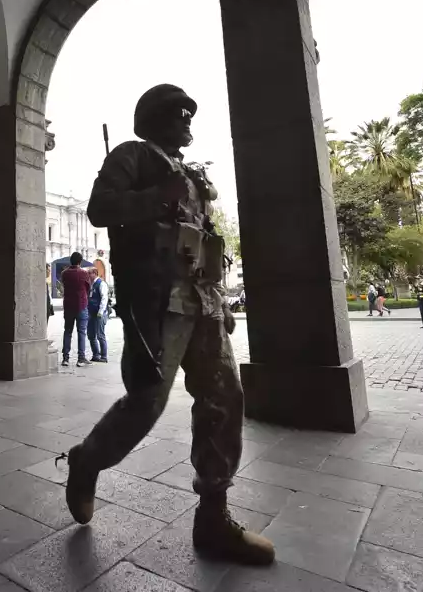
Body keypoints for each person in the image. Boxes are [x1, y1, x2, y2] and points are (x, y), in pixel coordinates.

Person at [58, 84, 274, 565]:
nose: (188, 124)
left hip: (203, 299)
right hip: (157, 302)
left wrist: (221, 300)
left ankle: (214, 516)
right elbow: (101, 208)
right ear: (155, 119)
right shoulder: (133, 156)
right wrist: (159, 196)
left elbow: (203, 241)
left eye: (190, 117)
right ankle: (86, 460)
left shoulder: (193, 176)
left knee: (224, 398)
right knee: (146, 403)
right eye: (180, 115)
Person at [60, 252, 92, 367]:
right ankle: (81, 358)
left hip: (68, 306)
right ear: (80, 261)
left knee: (67, 331)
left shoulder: (64, 273)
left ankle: (65, 358)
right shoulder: (84, 274)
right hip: (81, 305)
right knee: (81, 332)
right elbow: (88, 288)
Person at [87, 267, 109, 362]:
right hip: (91, 312)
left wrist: (101, 311)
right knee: (91, 334)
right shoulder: (90, 284)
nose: (88, 276)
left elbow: (104, 298)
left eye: (89, 274)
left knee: (100, 334)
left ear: (94, 274)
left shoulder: (101, 283)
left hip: (99, 313)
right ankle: (96, 354)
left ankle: (104, 356)